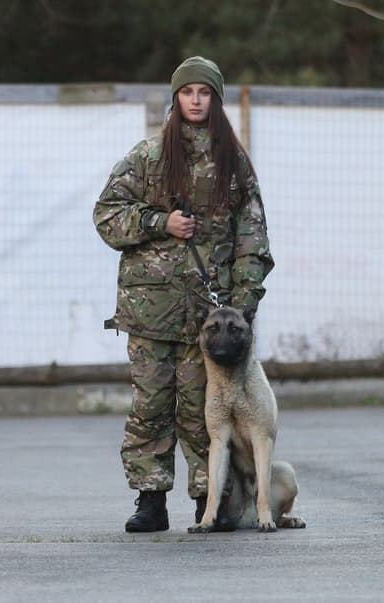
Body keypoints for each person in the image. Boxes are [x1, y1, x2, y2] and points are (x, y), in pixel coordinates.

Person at [93, 56, 273, 532]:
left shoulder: (234, 163)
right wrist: (160, 222)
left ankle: (207, 500)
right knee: (149, 408)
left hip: (207, 323)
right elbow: (106, 216)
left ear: (216, 99)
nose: (196, 100)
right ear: (176, 98)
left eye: (205, 92)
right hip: (149, 312)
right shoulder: (148, 157)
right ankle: (150, 500)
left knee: (201, 412)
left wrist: (243, 308)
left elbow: (253, 240)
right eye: (187, 92)